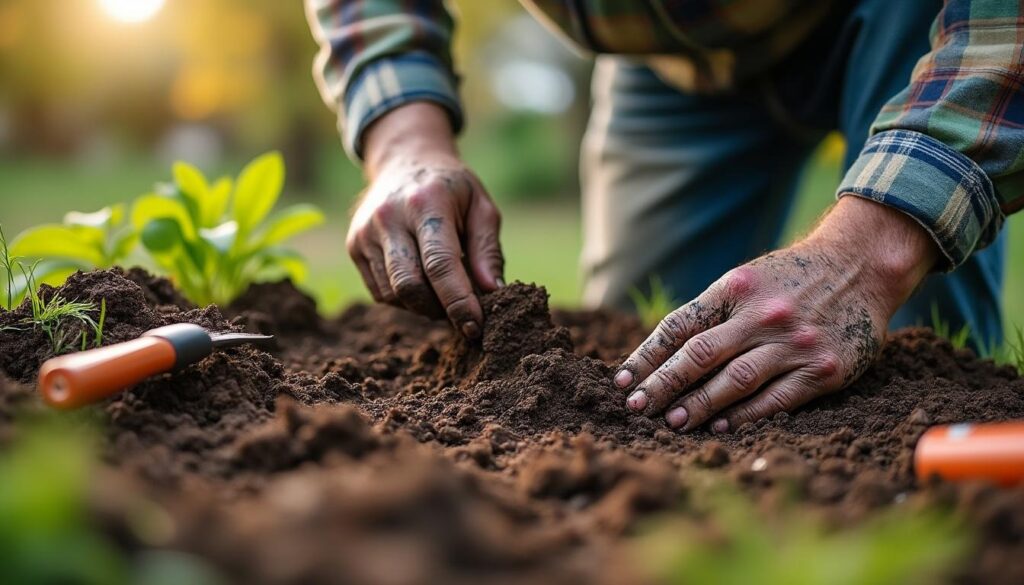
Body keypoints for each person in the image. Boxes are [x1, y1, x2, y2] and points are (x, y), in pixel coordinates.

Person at [305, 0, 1021, 433]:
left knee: (913, 358)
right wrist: (405, 142)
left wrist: (866, 258)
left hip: (921, 24)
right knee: (642, 358)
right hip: (672, 51)